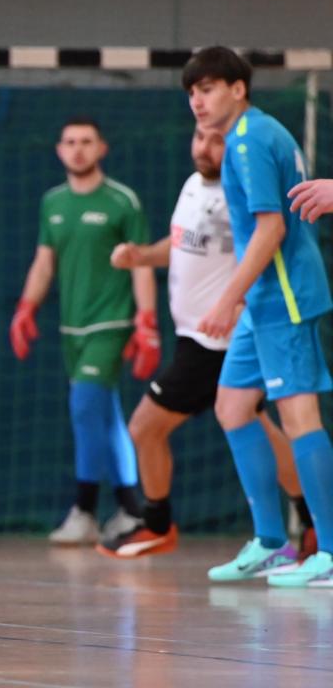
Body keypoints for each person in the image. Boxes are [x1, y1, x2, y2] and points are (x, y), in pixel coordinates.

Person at [98, 125, 315, 559]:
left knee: (145, 427)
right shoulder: (194, 185)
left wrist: (235, 303)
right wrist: (143, 256)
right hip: (193, 335)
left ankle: (158, 524)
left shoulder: (240, 194)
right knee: (259, 427)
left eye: (217, 140)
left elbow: (265, 248)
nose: (205, 147)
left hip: (215, 341)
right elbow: (183, 245)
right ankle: (311, 522)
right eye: (199, 138)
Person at [184, 46, 333, 586]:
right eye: (192, 93)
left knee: (299, 417)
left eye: (207, 89)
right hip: (262, 298)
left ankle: (330, 551)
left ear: (238, 88)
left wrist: (228, 298)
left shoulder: (249, 139)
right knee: (232, 407)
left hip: (283, 294)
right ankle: (271, 542)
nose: (198, 101)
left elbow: (272, 230)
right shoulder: (248, 136)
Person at [11, 117, 160, 545]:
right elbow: (45, 262)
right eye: (70, 142)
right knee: (106, 415)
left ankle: (85, 510)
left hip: (111, 322)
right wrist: (26, 307)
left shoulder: (122, 201)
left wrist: (146, 321)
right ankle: (131, 511)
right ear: (60, 150)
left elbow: (142, 263)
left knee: (84, 407)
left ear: (101, 148)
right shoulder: (53, 202)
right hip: (71, 327)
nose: (78, 149)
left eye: (86, 141)